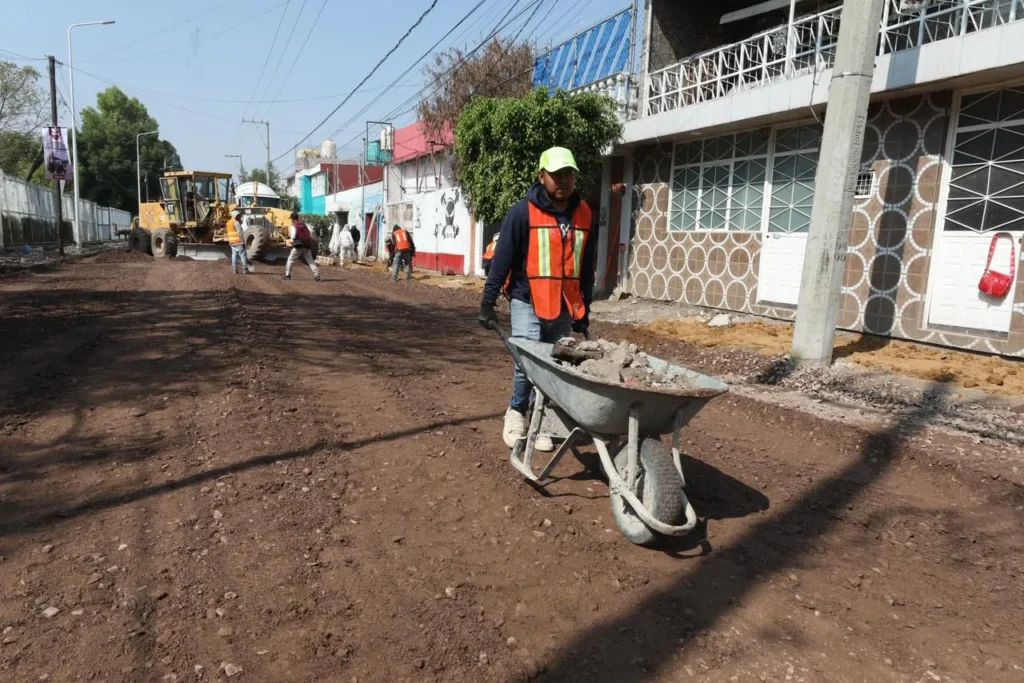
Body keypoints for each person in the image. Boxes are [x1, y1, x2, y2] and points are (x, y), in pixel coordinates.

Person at [478, 147, 596, 452]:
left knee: (554, 361)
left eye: (568, 174)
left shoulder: (584, 213)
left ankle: (540, 418)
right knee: (528, 359)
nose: (564, 181)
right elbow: (502, 259)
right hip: (526, 297)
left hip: (564, 302)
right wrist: (487, 302)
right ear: (541, 176)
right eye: (556, 175)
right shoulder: (522, 212)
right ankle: (516, 412)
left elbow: (585, 266)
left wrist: (584, 311)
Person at [283, 211, 321, 281]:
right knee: (310, 261)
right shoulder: (304, 224)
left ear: (292, 218)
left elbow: (293, 236)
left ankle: (287, 275)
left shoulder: (294, 225)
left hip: (299, 245)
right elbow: (309, 233)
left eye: (291, 218)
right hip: (307, 245)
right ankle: (317, 275)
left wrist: (290, 239)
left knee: (290, 259)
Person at [226, 209, 254, 275]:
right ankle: (245, 270)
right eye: (238, 216)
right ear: (235, 216)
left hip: (232, 242)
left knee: (234, 255)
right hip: (238, 241)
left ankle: (235, 270)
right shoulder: (236, 222)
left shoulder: (228, 223)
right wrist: (243, 242)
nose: (239, 217)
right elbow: (240, 233)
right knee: (243, 256)